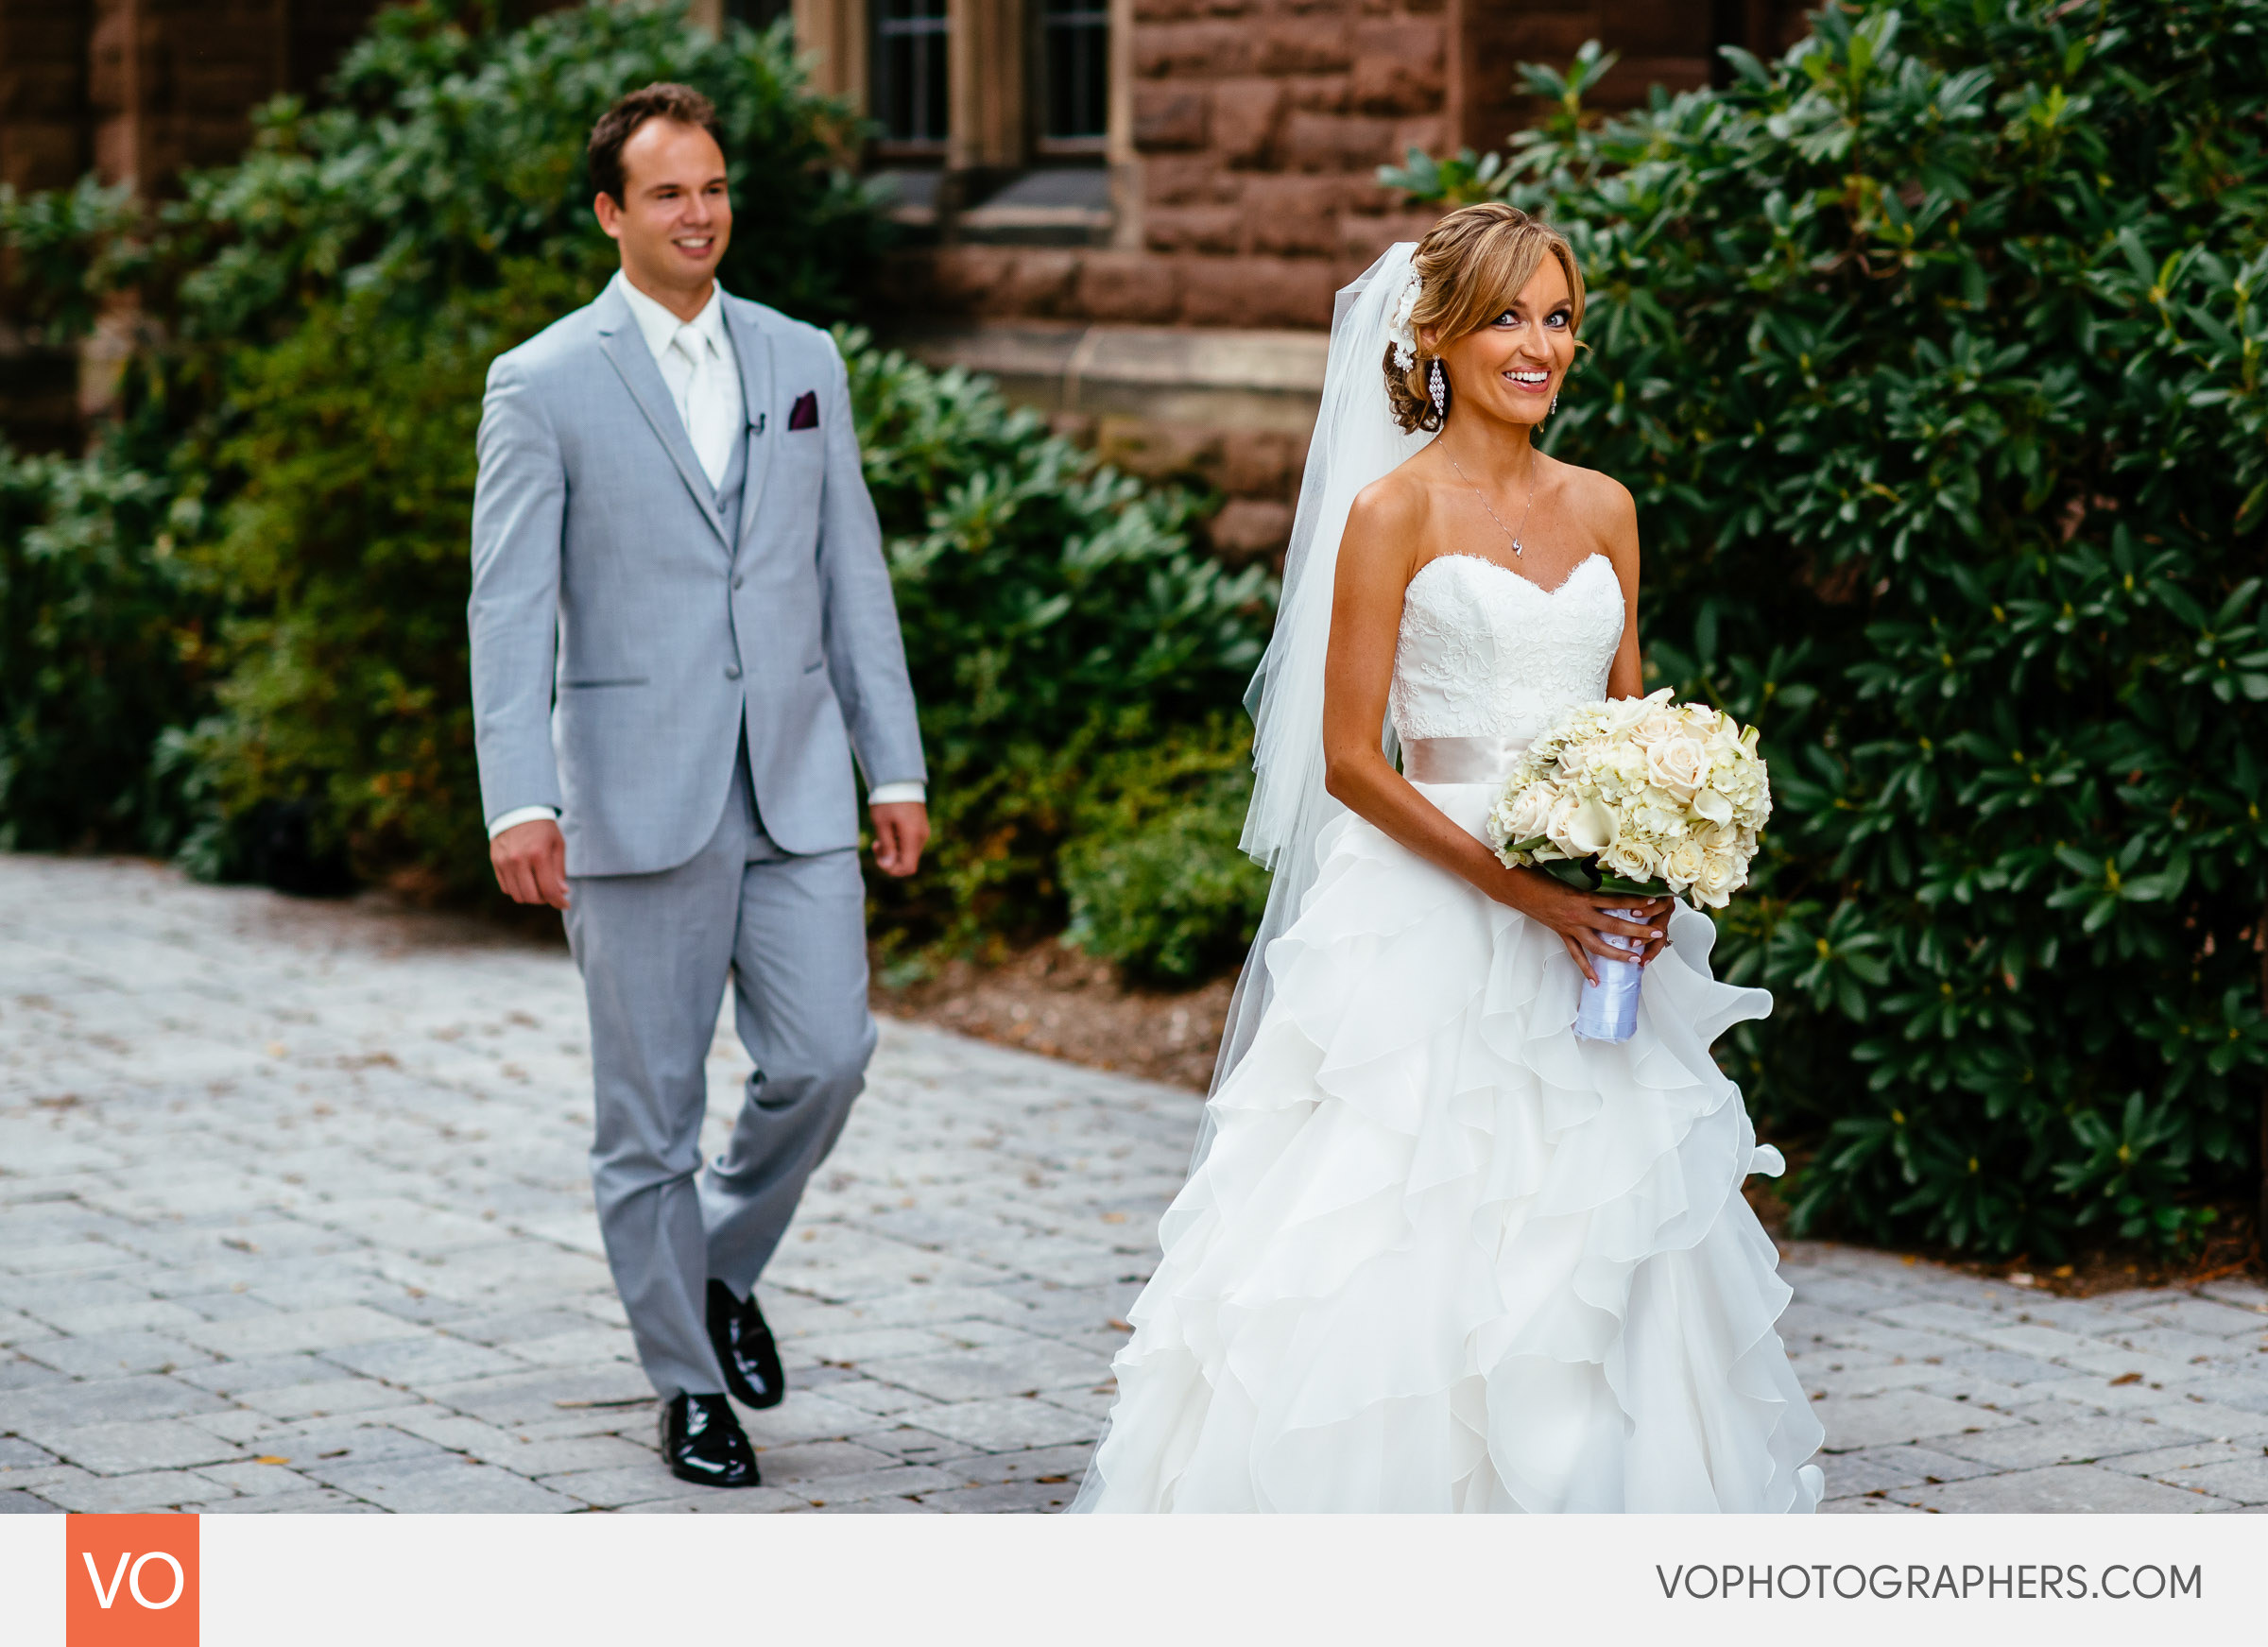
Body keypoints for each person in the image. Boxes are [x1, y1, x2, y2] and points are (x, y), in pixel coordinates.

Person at [1073, 205, 1824, 1512]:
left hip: (1591, 907)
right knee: (1407, 1213)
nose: (1541, 345)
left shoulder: (1606, 507)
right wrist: (1524, 891)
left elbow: (1632, 726)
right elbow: (1354, 761)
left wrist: (1653, 851)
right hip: (1430, 907)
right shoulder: (1392, 510)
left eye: (1561, 318)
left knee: (1605, 1218)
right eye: (1508, 318)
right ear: (1434, 337)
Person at [467, 83, 927, 1488]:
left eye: (714, 188)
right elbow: (506, 605)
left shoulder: (803, 359)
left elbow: (852, 571)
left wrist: (891, 761)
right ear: (612, 214)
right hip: (630, 793)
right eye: (669, 194)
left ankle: (716, 1270)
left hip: (793, 786)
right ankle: (686, 1384)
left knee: (827, 1058)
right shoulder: (540, 382)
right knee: (647, 1116)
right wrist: (517, 794)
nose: (699, 214)